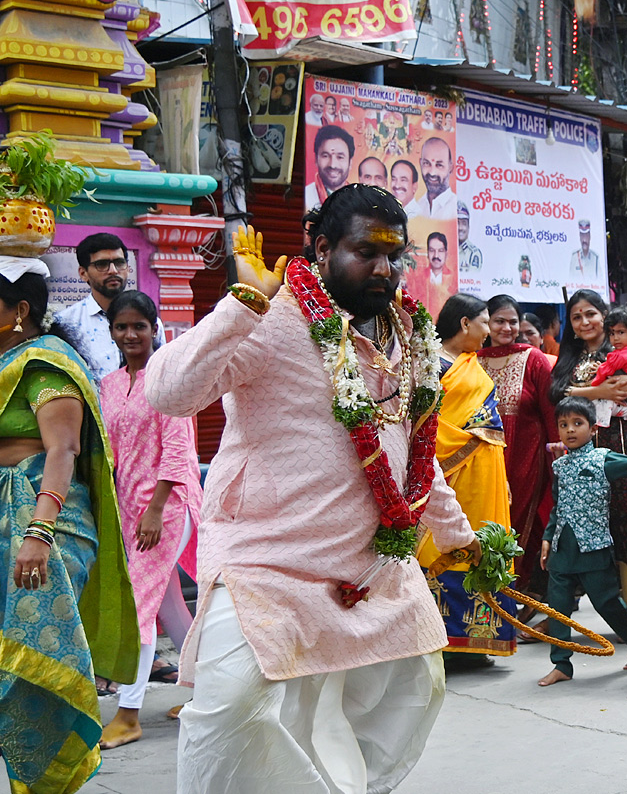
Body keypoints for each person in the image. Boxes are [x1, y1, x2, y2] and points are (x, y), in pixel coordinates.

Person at [144, 186, 483, 793]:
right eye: (366, 251)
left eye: (394, 254)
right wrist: (244, 301)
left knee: (417, 687)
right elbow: (167, 392)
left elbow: (413, 454)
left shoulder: (409, 335)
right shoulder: (272, 317)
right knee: (233, 708)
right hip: (269, 563)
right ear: (323, 248)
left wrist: (460, 537)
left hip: (370, 567)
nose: (383, 267)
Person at [0, 260, 138, 793]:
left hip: (44, 524)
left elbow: (64, 450)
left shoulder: (45, 365)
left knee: (34, 668)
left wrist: (38, 534)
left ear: (20, 310)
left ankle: (42, 783)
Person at [98, 291, 202, 749]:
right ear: (112, 331)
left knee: (140, 602)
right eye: (121, 326)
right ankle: (204, 689)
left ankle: (128, 712)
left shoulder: (168, 379)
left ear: (154, 328)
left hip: (167, 508)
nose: (130, 334)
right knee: (169, 605)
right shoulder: (108, 383)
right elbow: (112, 451)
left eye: (139, 325)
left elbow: (179, 452)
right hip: (128, 509)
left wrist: (156, 510)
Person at [537, 396, 627, 686]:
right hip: (563, 548)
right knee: (558, 605)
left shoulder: (603, 458)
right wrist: (547, 537)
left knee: (607, 604)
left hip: (594, 547)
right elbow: (558, 504)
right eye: (564, 425)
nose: (570, 430)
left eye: (578, 423)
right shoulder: (560, 466)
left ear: (592, 429)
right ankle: (562, 664)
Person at [550, 290, 627, 627]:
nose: (584, 322)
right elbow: (556, 392)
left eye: (591, 314)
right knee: (590, 519)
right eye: (576, 317)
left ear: (605, 316)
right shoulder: (570, 357)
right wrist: (597, 392)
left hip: (623, 440)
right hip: (583, 448)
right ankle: (588, 608)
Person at [417, 294, 515, 667]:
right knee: (444, 546)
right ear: (464, 324)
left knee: (485, 545)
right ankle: (444, 641)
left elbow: (490, 429)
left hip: (485, 477)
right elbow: (424, 421)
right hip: (448, 475)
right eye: (485, 322)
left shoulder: (474, 366)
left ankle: (480, 642)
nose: (489, 332)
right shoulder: (430, 363)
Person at [477, 295, 557, 604]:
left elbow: (550, 411)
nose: (507, 328)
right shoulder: (474, 359)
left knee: (524, 522)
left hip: (526, 458)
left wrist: (554, 458)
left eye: (513, 322)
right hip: (485, 459)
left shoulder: (533, 358)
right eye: (499, 321)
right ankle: (491, 595)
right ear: (487, 323)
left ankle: (518, 596)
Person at [55, 233, 165, 380]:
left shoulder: (149, 320)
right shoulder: (66, 323)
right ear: (83, 273)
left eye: (119, 263)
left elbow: (162, 368)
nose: (113, 270)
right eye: (102, 264)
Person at [303, 124, 355, 207]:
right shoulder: (305, 198)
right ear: (316, 159)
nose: (333, 165)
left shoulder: (358, 200)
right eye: (325, 156)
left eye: (340, 157)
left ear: (350, 163)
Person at [407, 232, 454, 319]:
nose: (436, 255)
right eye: (432, 250)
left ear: (446, 254)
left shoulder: (452, 279)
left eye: (440, 251)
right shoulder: (418, 280)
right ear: (428, 253)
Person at [409, 137, 456, 220]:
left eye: (439, 165)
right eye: (427, 163)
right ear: (420, 163)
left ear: (450, 168)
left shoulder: (456, 208)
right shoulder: (417, 207)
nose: (432, 173)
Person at [457, 200, 483, 276]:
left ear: (469, 227)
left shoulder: (473, 253)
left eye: (464, 223)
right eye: (457, 223)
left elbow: (473, 278)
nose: (460, 228)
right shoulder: (445, 250)